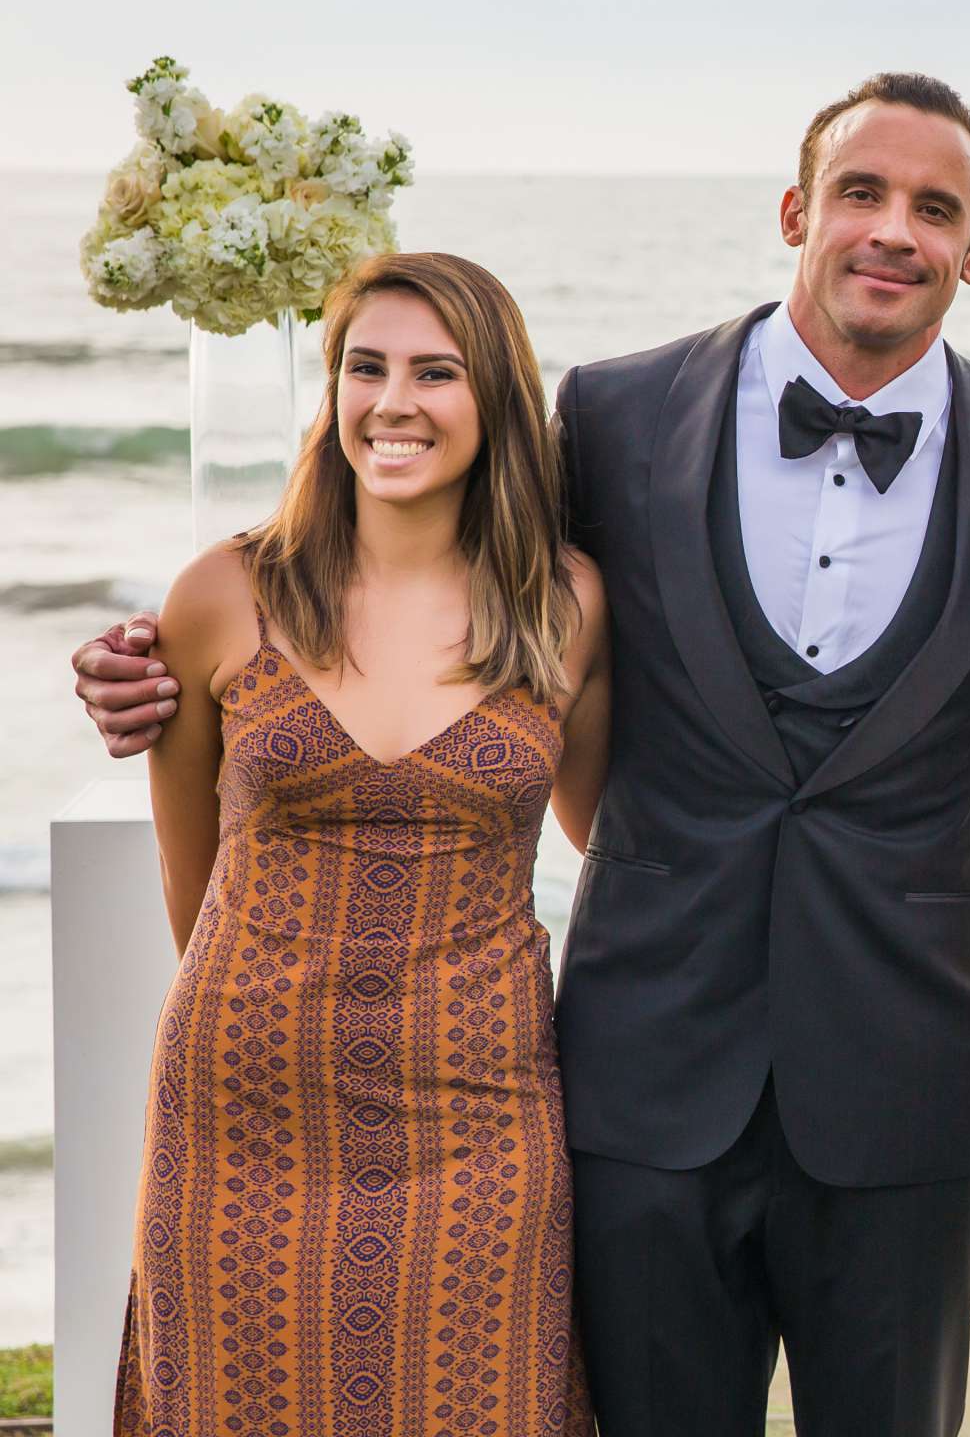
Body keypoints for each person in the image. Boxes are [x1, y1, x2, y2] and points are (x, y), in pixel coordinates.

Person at [78, 73, 970, 1437]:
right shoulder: (617, 419)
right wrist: (156, 674)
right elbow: (443, 581)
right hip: (645, 1073)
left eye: (936, 208)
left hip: (900, 1079)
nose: (892, 231)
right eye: (860, 192)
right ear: (797, 209)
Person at [112, 252, 606, 1435]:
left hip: (482, 1120)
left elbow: (603, 835)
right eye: (365, 368)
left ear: (494, 398)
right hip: (242, 1115)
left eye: (436, 373)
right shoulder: (224, 593)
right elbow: (195, 872)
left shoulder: (569, 605)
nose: (393, 403)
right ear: (331, 392)